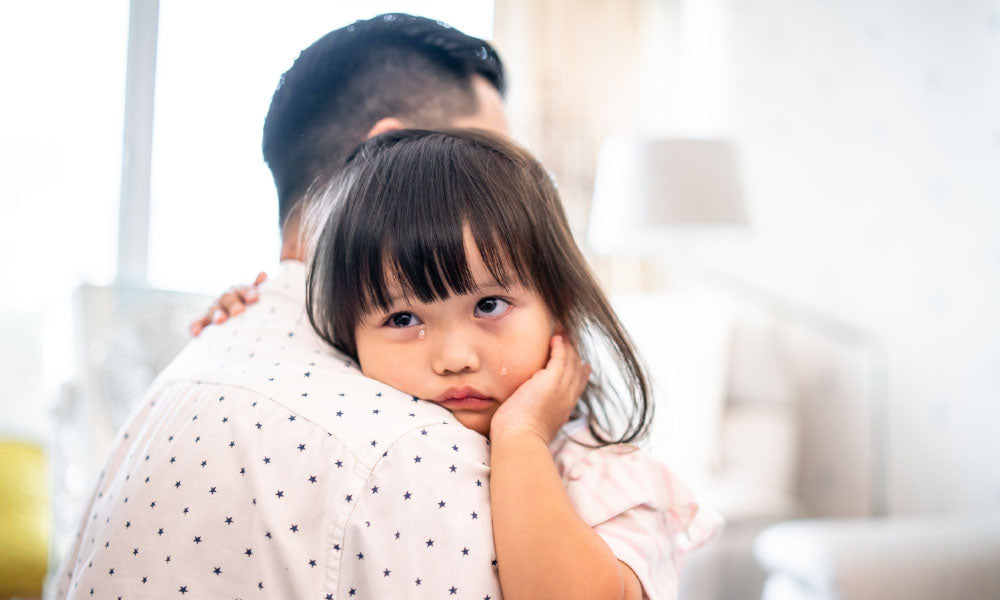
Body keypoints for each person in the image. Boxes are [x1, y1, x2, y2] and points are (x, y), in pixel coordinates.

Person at [50, 14, 511, 600]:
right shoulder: (415, 454)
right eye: (486, 164)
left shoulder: (185, 376)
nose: (509, 197)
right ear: (384, 159)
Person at [299, 128, 722, 599]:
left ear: (559, 307)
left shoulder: (605, 477)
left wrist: (522, 437)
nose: (455, 358)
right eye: (403, 317)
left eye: (489, 306)